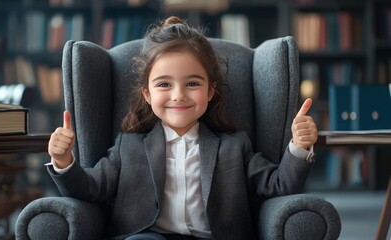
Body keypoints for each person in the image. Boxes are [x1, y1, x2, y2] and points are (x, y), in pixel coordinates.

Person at [47, 16, 318, 240]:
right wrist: (63, 161)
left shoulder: (234, 146)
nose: (178, 95)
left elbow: (278, 185)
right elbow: (91, 188)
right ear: (147, 94)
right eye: (164, 84)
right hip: (148, 236)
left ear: (211, 91)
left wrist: (299, 147)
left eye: (192, 83)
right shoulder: (127, 146)